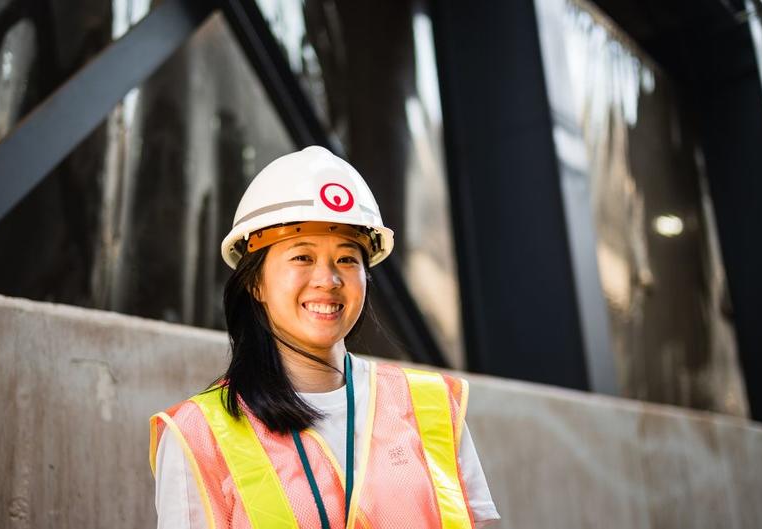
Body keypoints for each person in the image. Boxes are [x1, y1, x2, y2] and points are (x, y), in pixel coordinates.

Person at [150, 146, 500, 528]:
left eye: (347, 259)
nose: (328, 280)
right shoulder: (200, 432)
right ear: (255, 282)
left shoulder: (431, 407)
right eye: (302, 257)